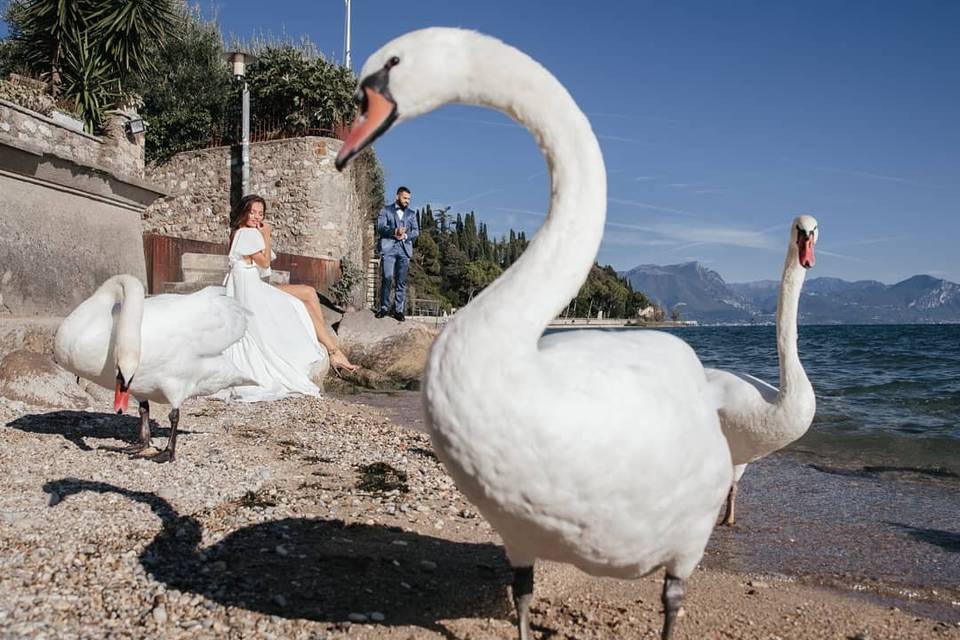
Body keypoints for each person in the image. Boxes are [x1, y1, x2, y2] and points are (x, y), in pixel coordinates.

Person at [218, 195, 357, 402]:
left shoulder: (239, 233)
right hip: (250, 291)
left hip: (250, 285)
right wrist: (267, 234)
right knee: (299, 305)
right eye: (252, 212)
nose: (257, 217)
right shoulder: (248, 234)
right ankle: (333, 350)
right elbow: (264, 264)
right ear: (244, 212)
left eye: (261, 214)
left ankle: (325, 343)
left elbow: (257, 268)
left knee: (309, 292)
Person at [375, 186, 419, 321]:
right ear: (397, 196)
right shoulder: (385, 210)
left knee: (401, 281)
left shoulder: (411, 214)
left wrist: (405, 235)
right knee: (387, 278)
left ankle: (399, 311)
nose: (407, 201)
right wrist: (395, 231)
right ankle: (384, 308)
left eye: (409, 199)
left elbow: (416, 231)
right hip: (389, 248)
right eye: (405, 198)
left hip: (404, 249)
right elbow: (380, 227)